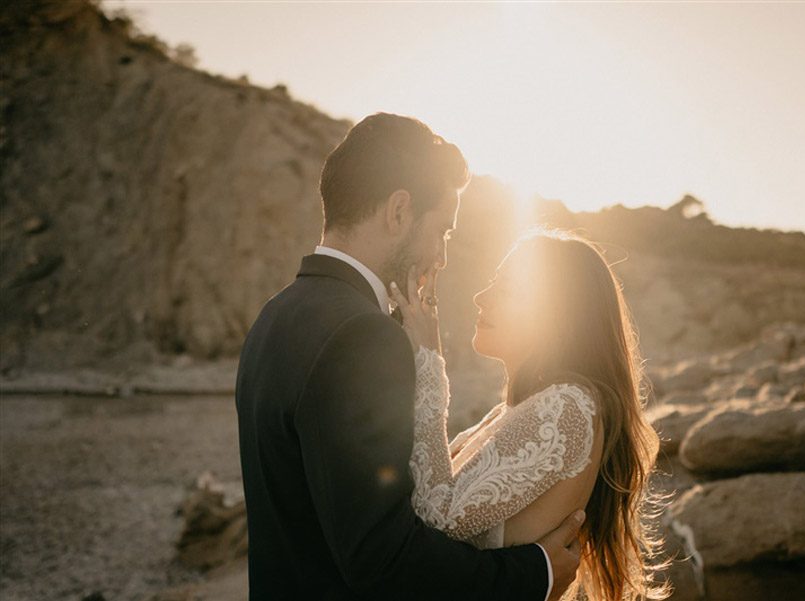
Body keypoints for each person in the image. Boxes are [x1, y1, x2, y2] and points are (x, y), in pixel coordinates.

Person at [235, 112, 583, 600]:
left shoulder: (273, 317)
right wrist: (534, 572)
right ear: (399, 211)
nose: (441, 258)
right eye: (441, 231)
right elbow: (385, 560)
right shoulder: (364, 335)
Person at [390, 230, 671, 600]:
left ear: (555, 316)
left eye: (505, 289)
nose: (481, 297)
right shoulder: (517, 410)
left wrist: (428, 360)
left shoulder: (565, 407)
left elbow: (438, 516)